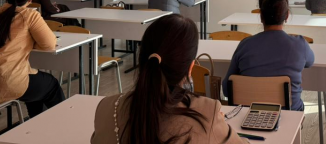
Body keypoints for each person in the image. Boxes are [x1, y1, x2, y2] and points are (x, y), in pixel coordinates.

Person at [91, 15, 245, 144]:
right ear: (190, 68)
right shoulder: (207, 114)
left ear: (142, 59)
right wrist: (217, 126)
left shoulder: (106, 108)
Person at [223, 0, 315, 111]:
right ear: (287, 15)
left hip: (250, 115)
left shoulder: (245, 45)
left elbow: (227, 89)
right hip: (289, 115)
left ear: (261, 16)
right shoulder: (300, 45)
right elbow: (310, 62)